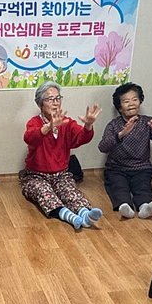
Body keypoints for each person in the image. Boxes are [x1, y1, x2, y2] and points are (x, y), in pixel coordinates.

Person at [20, 83, 104, 230]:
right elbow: (29, 138)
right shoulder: (34, 123)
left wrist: (88, 125)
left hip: (61, 174)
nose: (55, 102)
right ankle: (71, 217)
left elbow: (81, 138)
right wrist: (48, 127)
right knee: (44, 192)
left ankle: (85, 215)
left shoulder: (67, 122)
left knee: (70, 192)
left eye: (58, 98)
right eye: (50, 99)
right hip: (35, 176)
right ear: (40, 104)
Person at [98, 82, 152, 219]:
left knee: (143, 187)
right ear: (120, 107)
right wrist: (121, 135)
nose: (131, 104)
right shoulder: (113, 125)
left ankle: (144, 208)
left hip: (141, 168)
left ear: (140, 101)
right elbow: (102, 147)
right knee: (119, 187)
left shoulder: (148, 122)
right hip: (116, 168)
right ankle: (125, 208)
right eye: (126, 101)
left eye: (135, 99)